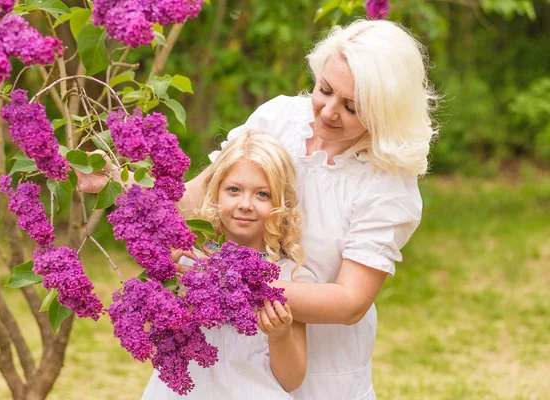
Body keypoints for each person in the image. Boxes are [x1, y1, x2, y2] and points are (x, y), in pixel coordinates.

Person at [177, 19, 438, 399]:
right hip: (232, 354)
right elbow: (200, 197)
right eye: (325, 90)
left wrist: (229, 283)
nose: (329, 112)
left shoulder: (387, 182)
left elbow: (350, 302)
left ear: (385, 110)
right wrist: (119, 182)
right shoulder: (279, 118)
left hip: (319, 365)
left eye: (352, 106)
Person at [141, 130, 317, 399]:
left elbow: (292, 379)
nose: (245, 204)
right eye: (234, 190)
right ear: (216, 192)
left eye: (262, 194)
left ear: (282, 204)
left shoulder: (288, 277)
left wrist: (280, 335)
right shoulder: (189, 259)